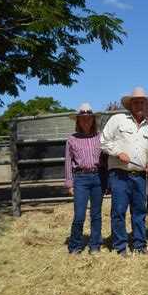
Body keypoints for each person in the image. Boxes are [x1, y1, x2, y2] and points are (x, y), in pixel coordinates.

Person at [100, 87, 148, 256]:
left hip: (140, 176)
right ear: (130, 104)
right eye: (136, 102)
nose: (139, 104)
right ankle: (120, 246)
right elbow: (103, 141)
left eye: (142, 102)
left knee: (140, 211)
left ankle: (139, 245)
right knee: (118, 211)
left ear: (146, 105)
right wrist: (118, 153)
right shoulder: (118, 119)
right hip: (119, 175)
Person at [65, 103, 107, 254]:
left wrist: (107, 179)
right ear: (78, 121)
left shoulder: (100, 137)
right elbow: (68, 162)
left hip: (98, 176)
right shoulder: (72, 139)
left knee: (96, 214)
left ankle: (95, 245)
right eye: (82, 119)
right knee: (79, 215)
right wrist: (70, 183)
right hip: (80, 178)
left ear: (93, 120)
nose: (86, 121)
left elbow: (106, 158)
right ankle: (75, 245)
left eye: (88, 119)